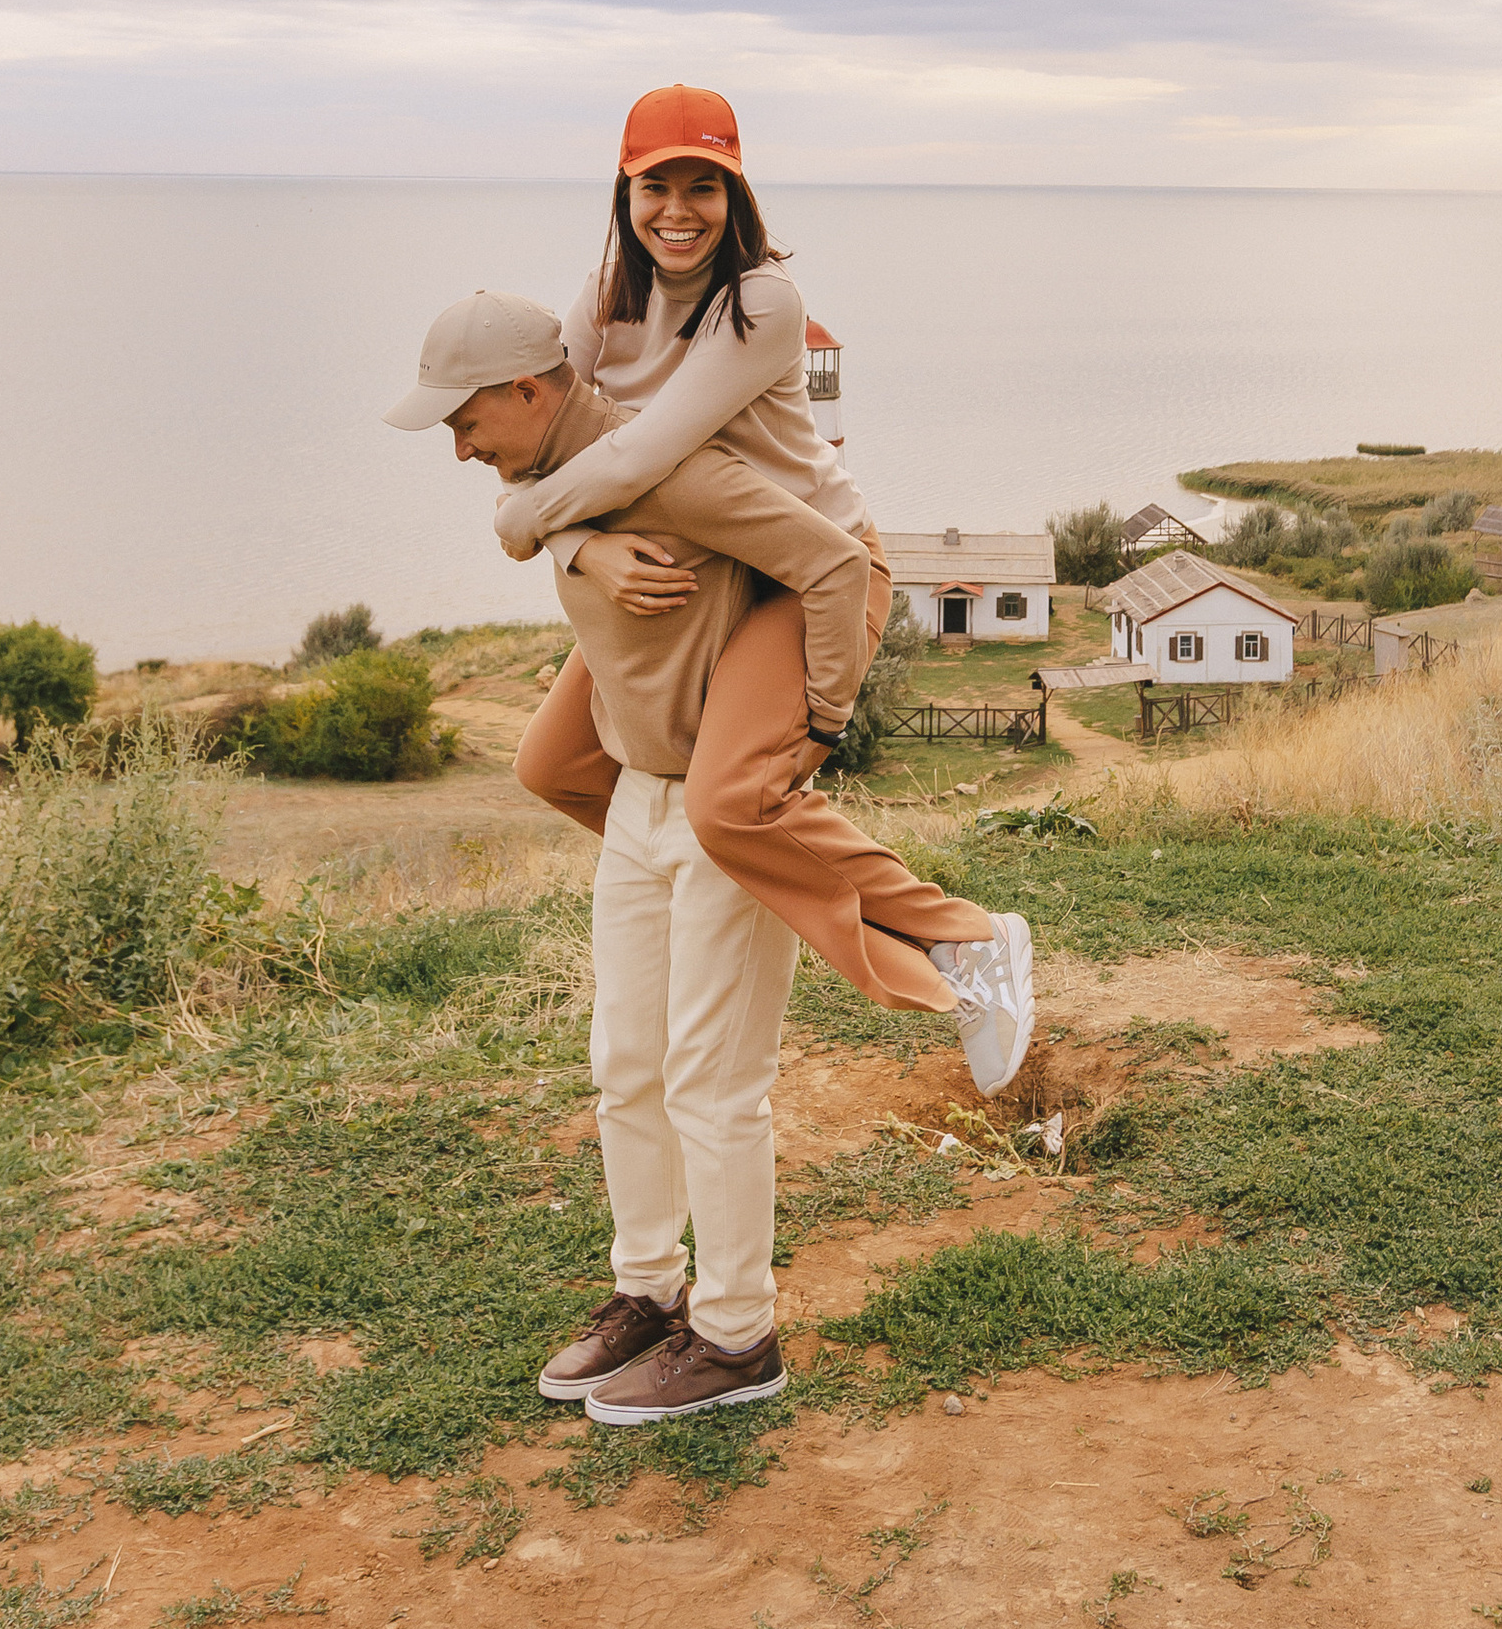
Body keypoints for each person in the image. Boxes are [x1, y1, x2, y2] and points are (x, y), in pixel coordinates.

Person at [393, 285, 951, 1424]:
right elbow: (540, 513)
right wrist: (584, 546)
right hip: (638, 806)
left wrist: (819, 732)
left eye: (465, 421)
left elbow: (840, 565)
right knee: (626, 1066)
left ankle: (737, 1333)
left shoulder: (677, 469)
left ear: (527, 390)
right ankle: (646, 1292)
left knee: (711, 1082)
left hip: (712, 807)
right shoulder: (558, 488)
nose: (458, 449)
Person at [486, 81, 1033, 1083]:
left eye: (706, 185)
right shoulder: (608, 292)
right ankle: (740, 864)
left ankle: (965, 939)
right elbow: (538, 442)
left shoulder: (764, 300)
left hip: (813, 573)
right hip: (705, 579)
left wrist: (524, 524)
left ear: (736, 195)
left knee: (731, 802)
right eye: (658, 185)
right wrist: (579, 550)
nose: (678, 211)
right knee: (553, 764)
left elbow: (639, 454)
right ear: (626, 188)